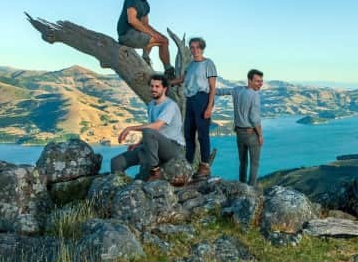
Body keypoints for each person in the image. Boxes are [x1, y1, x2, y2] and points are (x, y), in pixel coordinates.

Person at [110, 74, 185, 181]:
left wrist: (130, 128)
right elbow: (151, 130)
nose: (153, 89)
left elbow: (156, 126)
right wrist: (138, 143)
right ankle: (120, 186)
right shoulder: (151, 105)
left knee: (148, 131)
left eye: (157, 86)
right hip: (153, 147)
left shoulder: (170, 105)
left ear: (164, 88)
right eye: (152, 86)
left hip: (171, 147)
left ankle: (155, 171)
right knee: (116, 162)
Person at [170, 37, 217, 178]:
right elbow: (181, 79)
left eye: (197, 47)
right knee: (188, 134)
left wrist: (209, 107)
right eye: (192, 47)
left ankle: (204, 166)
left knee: (203, 135)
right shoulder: (190, 65)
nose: (195, 50)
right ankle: (188, 165)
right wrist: (166, 83)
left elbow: (213, 88)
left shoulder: (208, 63)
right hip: (190, 100)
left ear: (202, 48)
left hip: (202, 99)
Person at [117, 0, 174, 78]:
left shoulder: (146, 5)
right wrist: (155, 35)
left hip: (135, 34)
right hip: (127, 34)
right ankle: (168, 70)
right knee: (162, 41)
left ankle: (146, 58)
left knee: (163, 39)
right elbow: (132, 20)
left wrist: (158, 35)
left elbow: (145, 25)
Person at [217, 69, 264, 187]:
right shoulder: (255, 96)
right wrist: (260, 135)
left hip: (239, 133)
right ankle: (251, 188)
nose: (260, 84)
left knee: (243, 162)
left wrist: (206, 89)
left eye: (261, 81)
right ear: (249, 80)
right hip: (251, 133)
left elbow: (221, 91)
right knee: (254, 163)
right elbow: (254, 119)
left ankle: (242, 186)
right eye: (257, 81)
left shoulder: (237, 90)